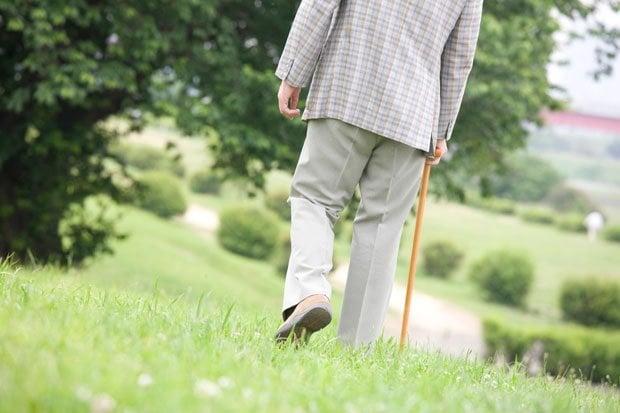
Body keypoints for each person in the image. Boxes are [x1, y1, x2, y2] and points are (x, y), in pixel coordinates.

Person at [274, 0, 483, 347]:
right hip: (413, 115)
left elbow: (319, 4)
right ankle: (355, 348)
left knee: (314, 198)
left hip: (346, 89)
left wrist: (294, 73)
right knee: (382, 229)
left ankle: (309, 292)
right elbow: (460, 58)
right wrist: (442, 129)